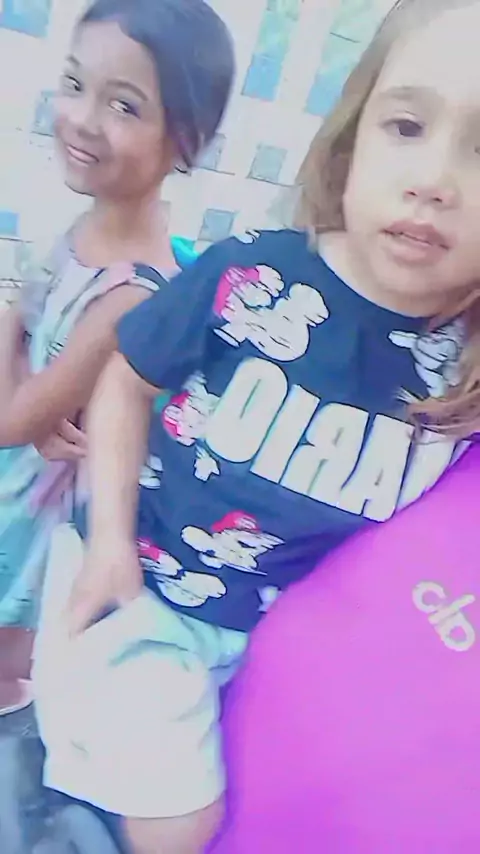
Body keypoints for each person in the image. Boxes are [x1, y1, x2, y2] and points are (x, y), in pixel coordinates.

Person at [33, 0, 480, 851]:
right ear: (352, 140)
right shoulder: (254, 273)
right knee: (183, 827)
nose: (436, 178)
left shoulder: (464, 365)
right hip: (146, 593)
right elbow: (124, 381)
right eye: (407, 126)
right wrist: (109, 547)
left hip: (261, 643)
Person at [0, 0, 234, 714]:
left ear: (185, 141)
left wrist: (9, 324)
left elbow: (11, 421)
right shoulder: (83, 225)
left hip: (26, 525)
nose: (81, 119)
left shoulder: (132, 292)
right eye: (75, 85)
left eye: (124, 106)